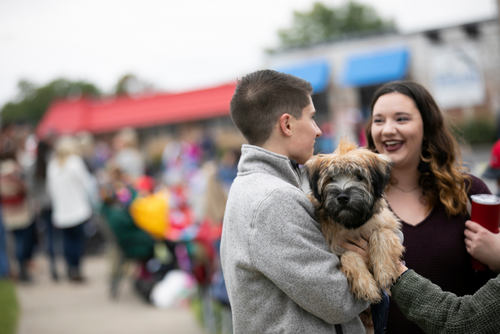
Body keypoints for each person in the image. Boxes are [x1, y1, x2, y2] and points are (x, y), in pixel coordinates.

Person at [220, 70, 370, 334]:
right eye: (311, 118)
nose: (318, 130)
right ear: (287, 124)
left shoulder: (251, 185)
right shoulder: (273, 199)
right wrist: (376, 260)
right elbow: (338, 300)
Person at [365, 80, 497, 333]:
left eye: (401, 119)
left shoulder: (471, 194)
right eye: (378, 121)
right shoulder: (358, 203)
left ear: (427, 126)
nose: (387, 130)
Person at [47, 136, 94, 282]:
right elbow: (87, 184)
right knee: (78, 242)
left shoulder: (53, 165)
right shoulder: (75, 163)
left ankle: (70, 267)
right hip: (78, 210)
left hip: (61, 212)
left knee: (67, 242)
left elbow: (50, 190)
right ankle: (76, 268)